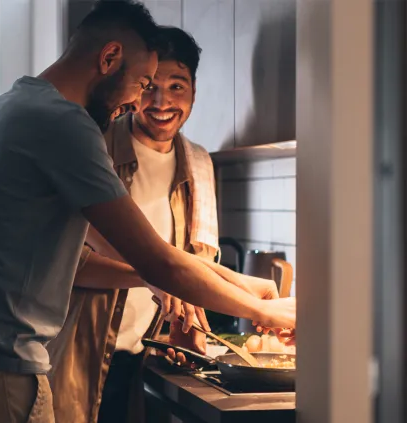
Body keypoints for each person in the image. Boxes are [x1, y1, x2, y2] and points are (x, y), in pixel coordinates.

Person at [0, 2, 296, 422]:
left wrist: (241, 283)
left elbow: (105, 259)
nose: (136, 101)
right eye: (143, 82)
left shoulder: (11, 106)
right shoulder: (64, 125)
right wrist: (264, 312)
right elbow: (156, 260)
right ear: (108, 58)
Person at [45, 26, 283, 423]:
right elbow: (72, 263)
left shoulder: (200, 163)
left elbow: (192, 261)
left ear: (193, 90)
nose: (162, 101)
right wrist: (156, 277)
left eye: (177, 86)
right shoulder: (95, 147)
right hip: (78, 351)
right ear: (134, 86)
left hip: (150, 358)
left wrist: (193, 314)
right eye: (150, 86)